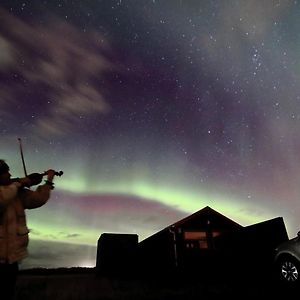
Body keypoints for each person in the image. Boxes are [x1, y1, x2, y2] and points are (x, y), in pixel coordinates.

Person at [0, 159, 56, 300]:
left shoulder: (16, 192)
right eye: (5, 172)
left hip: (11, 259)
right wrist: (19, 183)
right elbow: (3, 198)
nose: (10, 174)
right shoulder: (11, 190)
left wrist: (48, 181)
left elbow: (38, 199)